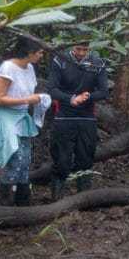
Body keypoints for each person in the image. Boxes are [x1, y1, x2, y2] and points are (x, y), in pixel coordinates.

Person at [0, 37, 50, 206]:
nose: (41, 56)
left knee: (26, 161)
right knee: (18, 160)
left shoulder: (30, 68)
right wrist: (28, 99)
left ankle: (22, 200)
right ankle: (5, 194)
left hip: (21, 117)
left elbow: (28, 94)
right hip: (6, 118)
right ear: (29, 53)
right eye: (40, 52)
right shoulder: (7, 68)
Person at [46, 37, 109, 200]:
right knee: (62, 158)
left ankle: (83, 198)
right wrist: (71, 98)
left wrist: (89, 96)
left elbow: (104, 91)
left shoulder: (97, 63)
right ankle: (56, 198)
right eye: (78, 49)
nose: (81, 53)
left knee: (85, 157)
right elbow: (52, 89)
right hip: (64, 116)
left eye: (85, 50)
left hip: (87, 117)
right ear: (72, 46)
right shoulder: (60, 61)